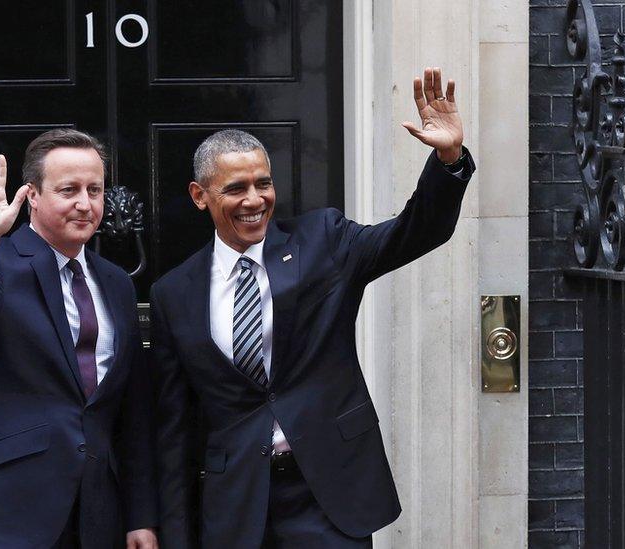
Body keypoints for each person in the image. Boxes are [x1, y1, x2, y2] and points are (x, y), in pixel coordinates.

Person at [150, 67, 475, 548]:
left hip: (326, 494)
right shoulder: (173, 292)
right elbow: (173, 427)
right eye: (235, 188)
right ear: (200, 196)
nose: (254, 200)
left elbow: (416, 231)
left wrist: (448, 159)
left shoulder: (323, 240)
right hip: (234, 503)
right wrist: (173, 533)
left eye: (263, 183)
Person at [0, 129, 158, 549]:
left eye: (95, 190)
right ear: (32, 196)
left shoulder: (115, 283)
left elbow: (132, 411)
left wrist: (139, 516)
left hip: (95, 513)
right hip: (5, 510)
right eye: (68, 190)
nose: (85, 204)